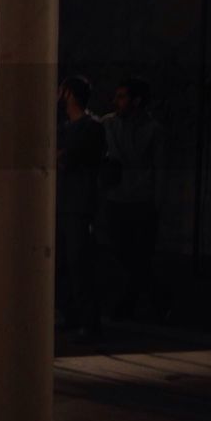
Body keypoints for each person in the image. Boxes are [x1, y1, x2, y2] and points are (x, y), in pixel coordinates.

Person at [102, 76, 165, 320]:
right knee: (124, 254)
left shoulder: (153, 130)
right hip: (117, 198)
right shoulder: (108, 123)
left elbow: (160, 168)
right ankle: (151, 298)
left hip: (140, 200)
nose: (116, 101)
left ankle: (131, 303)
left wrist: (157, 203)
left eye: (122, 96)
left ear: (136, 101)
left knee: (138, 255)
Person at [56, 76, 106, 340]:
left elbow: (64, 158)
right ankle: (71, 314)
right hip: (62, 203)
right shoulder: (65, 127)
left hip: (79, 204)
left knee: (79, 264)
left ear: (71, 95)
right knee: (63, 263)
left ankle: (89, 321)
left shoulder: (91, 128)